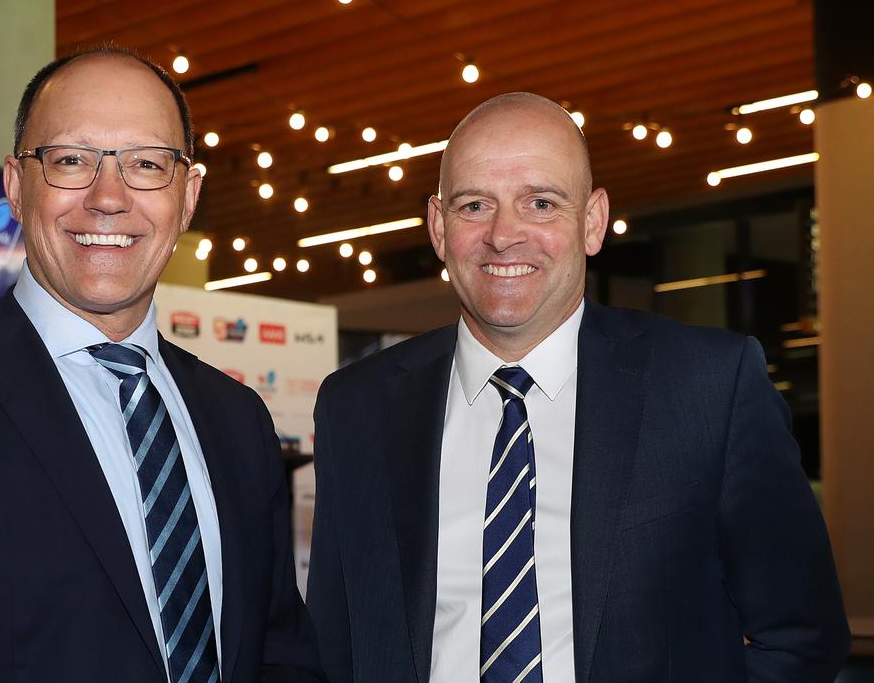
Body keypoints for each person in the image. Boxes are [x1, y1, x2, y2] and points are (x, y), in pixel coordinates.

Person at [306, 92, 849, 682]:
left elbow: (800, 638)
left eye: (540, 202)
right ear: (438, 228)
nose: (503, 235)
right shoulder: (356, 407)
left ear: (592, 222)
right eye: (473, 205)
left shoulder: (708, 388)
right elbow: (333, 648)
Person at [0, 48, 323, 683]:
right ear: (15, 184)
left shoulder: (237, 418)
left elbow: (280, 653)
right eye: (70, 161)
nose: (108, 198)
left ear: (188, 195)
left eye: (146, 164)